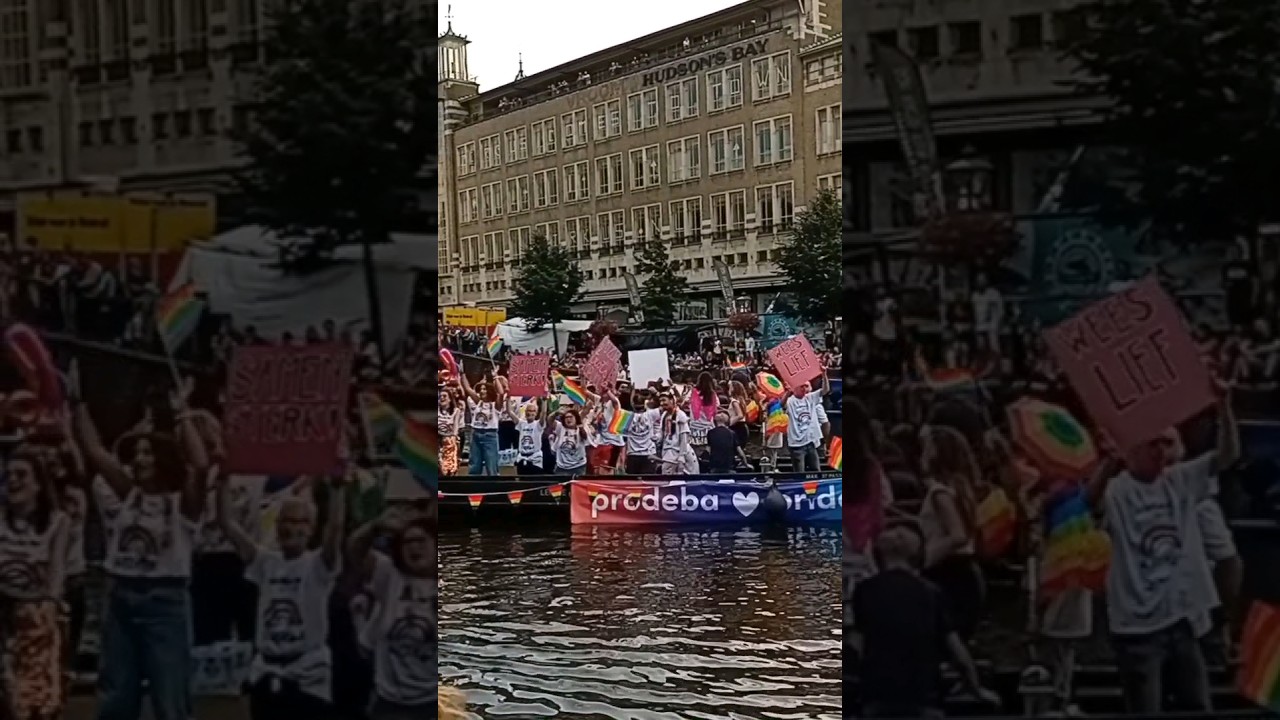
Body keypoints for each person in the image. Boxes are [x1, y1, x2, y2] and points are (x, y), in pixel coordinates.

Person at [71, 369, 210, 720]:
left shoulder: (182, 506)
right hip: (121, 596)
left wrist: (182, 412)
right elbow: (96, 451)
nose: (140, 459)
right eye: (138, 453)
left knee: (169, 696)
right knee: (116, 694)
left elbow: (200, 465)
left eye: (148, 453)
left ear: (163, 458)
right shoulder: (128, 494)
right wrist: (77, 402)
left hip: (165, 601)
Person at [1099, 376, 1238, 713]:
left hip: (1180, 619)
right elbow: (1088, 503)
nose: (1162, 453)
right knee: (1146, 708)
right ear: (1133, 449)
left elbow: (1227, 456)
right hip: (1137, 627)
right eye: (1153, 445)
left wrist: (1224, 406)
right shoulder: (1117, 490)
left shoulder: (1180, 479)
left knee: (1197, 704)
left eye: (1166, 444)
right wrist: (1107, 463)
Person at [217, 469, 345, 719]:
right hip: (266, 669)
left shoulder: (319, 564)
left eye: (300, 522)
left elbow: (335, 528)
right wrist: (223, 482)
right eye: (286, 521)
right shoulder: (264, 562)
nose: (291, 528)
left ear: (311, 529)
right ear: (276, 526)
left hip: (308, 674)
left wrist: (338, 489)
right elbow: (227, 525)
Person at [851, 520, 999, 718]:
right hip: (923, 698)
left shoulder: (865, 591)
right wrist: (977, 690)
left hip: (878, 699)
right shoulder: (931, 592)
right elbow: (958, 653)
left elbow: (856, 648)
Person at [0, 445, 70, 720]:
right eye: (8, 476)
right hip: (0, 612)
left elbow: (57, 575)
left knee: (35, 702)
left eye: (21, 475)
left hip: (35, 615)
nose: (13, 481)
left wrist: (49, 612)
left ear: (39, 483)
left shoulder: (57, 521)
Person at [350, 506, 438, 720]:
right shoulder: (390, 577)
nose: (414, 548)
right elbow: (354, 550)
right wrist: (375, 527)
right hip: (389, 705)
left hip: (432, 703)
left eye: (421, 541)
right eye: (408, 542)